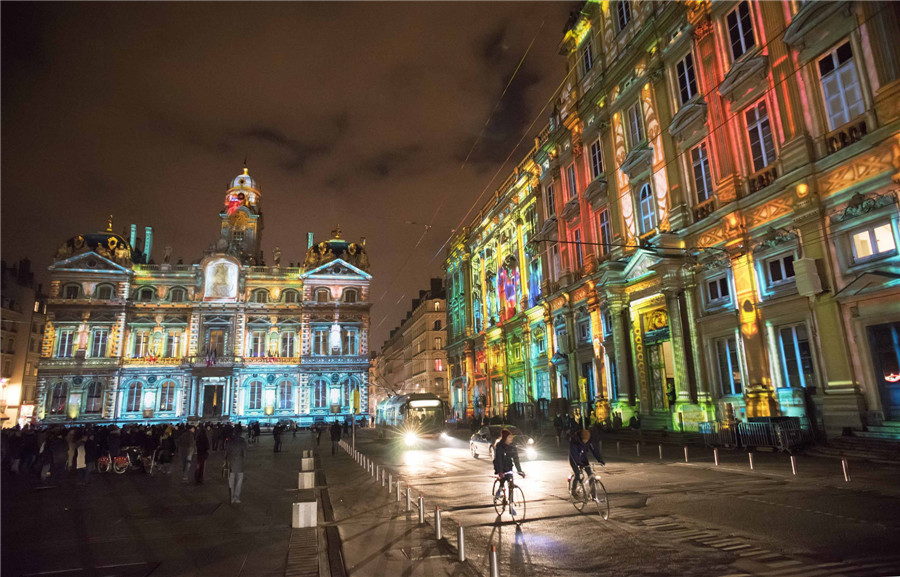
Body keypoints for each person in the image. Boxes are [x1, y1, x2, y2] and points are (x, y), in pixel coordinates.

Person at [492, 429, 525, 517]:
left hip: (509, 466)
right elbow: (498, 459)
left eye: (511, 437)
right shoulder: (499, 446)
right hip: (500, 466)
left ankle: (511, 506)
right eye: (509, 437)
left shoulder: (513, 447)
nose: (511, 439)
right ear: (505, 438)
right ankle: (499, 490)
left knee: (511, 485)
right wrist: (500, 471)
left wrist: (520, 471)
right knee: (503, 480)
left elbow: (516, 459)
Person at [569, 428, 605, 497]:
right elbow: (573, 453)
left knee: (590, 474)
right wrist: (578, 464)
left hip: (583, 458)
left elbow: (594, 450)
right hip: (574, 460)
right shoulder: (574, 440)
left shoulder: (589, 441)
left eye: (587, 441)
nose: (585, 442)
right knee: (578, 475)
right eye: (584, 440)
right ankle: (574, 490)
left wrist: (600, 459)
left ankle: (593, 493)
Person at [225, 426, 247, 504]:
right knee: (239, 481)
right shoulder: (242, 441)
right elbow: (244, 454)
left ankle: (231, 497)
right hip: (240, 463)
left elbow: (226, 452)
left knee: (231, 481)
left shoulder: (230, 441)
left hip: (231, 463)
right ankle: (236, 497)